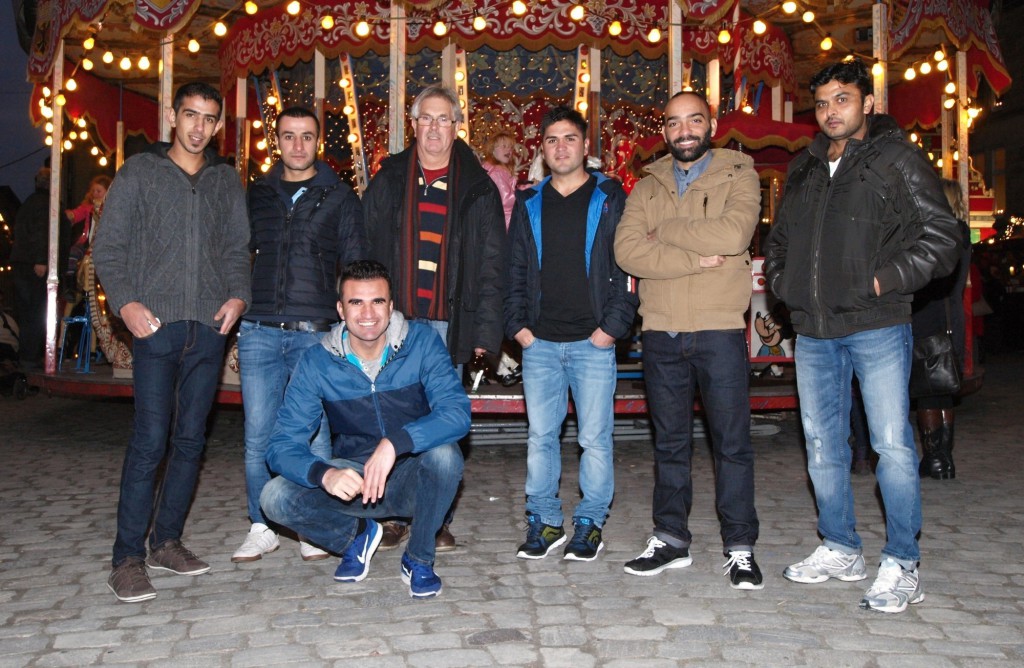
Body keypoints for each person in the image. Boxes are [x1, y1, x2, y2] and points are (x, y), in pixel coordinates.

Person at [763, 59, 961, 613]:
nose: (831, 112)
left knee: (892, 447)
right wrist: (787, 286)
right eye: (823, 103)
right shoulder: (804, 168)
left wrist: (882, 280)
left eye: (842, 100)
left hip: (876, 324)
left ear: (867, 103)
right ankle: (841, 546)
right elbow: (778, 241)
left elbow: (944, 235)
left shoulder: (896, 159)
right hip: (815, 331)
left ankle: (903, 561)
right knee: (823, 447)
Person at [93, 81, 251, 603]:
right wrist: (126, 302)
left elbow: (237, 247)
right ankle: (126, 558)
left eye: (209, 118)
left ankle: (167, 541)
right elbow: (108, 245)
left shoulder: (225, 180)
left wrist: (239, 297)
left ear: (218, 123)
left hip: (207, 329)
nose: (198, 126)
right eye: (190, 115)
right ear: (171, 116)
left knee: (189, 442)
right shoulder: (140, 172)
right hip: (155, 328)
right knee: (149, 441)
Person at [614, 92, 764, 589]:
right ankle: (671, 538)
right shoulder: (647, 184)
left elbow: (735, 234)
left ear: (711, 124)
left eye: (693, 120)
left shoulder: (739, 173)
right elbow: (628, 250)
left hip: (719, 327)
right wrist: (692, 259)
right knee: (671, 442)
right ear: (665, 131)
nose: (684, 131)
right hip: (661, 330)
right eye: (674, 123)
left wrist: (668, 232)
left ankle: (739, 545)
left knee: (732, 444)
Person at [260, 260, 469, 598]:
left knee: (445, 456)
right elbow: (281, 445)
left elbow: (457, 414)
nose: (368, 313)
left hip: (410, 477)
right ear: (341, 309)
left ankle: (418, 559)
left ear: (391, 305)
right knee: (274, 497)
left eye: (378, 301)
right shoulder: (317, 362)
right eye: (356, 302)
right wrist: (323, 475)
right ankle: (357, 535)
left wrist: (395, 443)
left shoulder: (422, 343)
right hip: (356, 482)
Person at [362, 84, 506, 551]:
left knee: (440, 421)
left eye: (444, 119)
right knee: (392, 419)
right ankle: (397, 514)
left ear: (456, 126)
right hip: (395, 321)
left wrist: (485, 334)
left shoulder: (477, 188)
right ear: (414, 123)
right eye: (427, 119)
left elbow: (490, 266)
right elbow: (364, 250)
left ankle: (435, 516)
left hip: (449, 321)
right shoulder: (390, 178)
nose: (435, 128)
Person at [232, 106, 367, 563]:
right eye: (289, 136)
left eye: (306, 137)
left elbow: (353, 262)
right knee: (259, 434)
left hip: (314, 333)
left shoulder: (339, 197)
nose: (297, 145)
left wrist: (349, 322)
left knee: (316, 435)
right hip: (259, 329)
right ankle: (261, 524)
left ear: (317, 142)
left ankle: (313, 523)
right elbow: (234, 253)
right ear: (278, 141)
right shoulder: (257, 195)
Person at [504, 106, 638, 562]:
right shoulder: (529, 202)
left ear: (585, 146)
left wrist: (611, 329)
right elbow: (515, 269)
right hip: (539, 342)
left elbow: (627, 267)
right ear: (542, 149)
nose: (560, 147)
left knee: (594, 438)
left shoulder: (610, 197)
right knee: (540, 436)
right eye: (552, 140)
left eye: (569, 139)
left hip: (592, 341)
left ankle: (590, 522)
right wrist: (519, 329)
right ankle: (543, 521)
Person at [914, 179, 971, 480]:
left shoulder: (938, 234)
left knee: (928, 391)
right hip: (951, 318)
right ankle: (944, 457)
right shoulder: (962, 233)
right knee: (944, 391)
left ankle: (935, 458)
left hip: (930, 316)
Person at [10, 167, 69, 369]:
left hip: (24, 265)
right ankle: (30, 359)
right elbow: (41, 232)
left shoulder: (31, 202)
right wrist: (41, 260)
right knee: (36, 313)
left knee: (29, 313)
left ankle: (28, 357)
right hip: (35, 267)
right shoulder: (46, 205)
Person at [480, 131, 518, 228]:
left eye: (510, 147)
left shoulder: (494, 169)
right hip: (506, 222)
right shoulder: (497, 172)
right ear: (492, 150)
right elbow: (506, 200)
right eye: (504, 146)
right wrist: (527, 193)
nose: (509, 150)